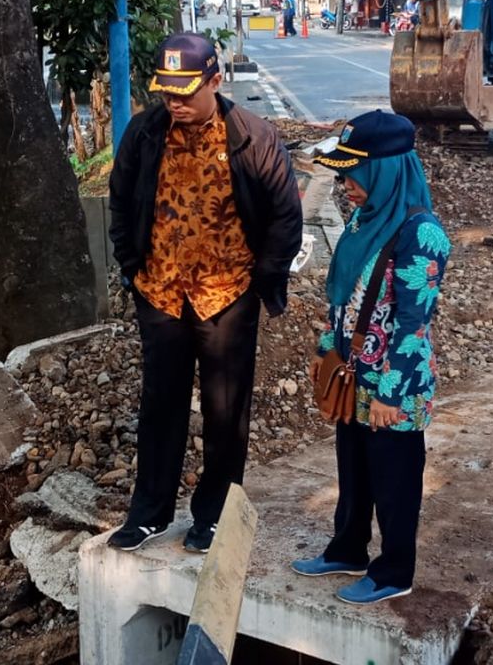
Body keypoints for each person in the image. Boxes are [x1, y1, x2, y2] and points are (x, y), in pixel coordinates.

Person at [107, 32, 303, 553]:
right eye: (166, 92)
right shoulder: (144, 134)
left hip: (227, 296)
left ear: (215, 82)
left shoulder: (251, 137)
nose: (174, 103)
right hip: (161, 295)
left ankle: (214, 515)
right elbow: (121, 201)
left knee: (225, 409)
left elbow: (286, 215)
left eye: (186, 93)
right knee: (160, 403)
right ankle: (148, 513)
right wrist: (133, 267)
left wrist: (264, 278)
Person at [291, 110, 451, 605]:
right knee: (354, 468)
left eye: (353, 172)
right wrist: (326, 349)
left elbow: (411, 323)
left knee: (395, 481)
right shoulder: (366, 220)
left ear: (385, 169)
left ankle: (394, 571)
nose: (344, 184)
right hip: (354, 376)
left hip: (392, 388)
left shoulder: (420, 234)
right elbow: (341, 297)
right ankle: (348, 548)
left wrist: (389, 393)